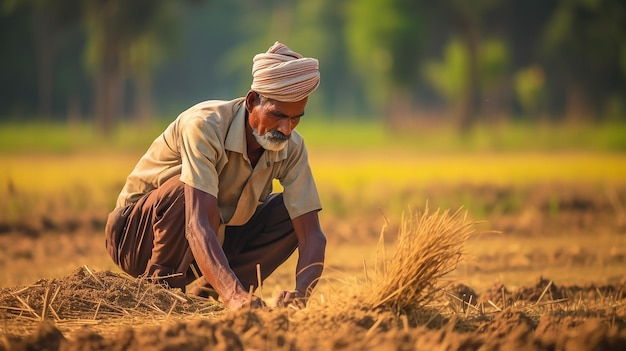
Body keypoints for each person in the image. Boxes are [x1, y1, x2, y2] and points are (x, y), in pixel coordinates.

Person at [104, 42, 326, 310]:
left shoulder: (291, 146)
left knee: (290, 214)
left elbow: (312, 235)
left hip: (208, 243)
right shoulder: (205, 125)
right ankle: (160, 290)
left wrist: (301, 293)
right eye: (277, 115)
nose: (286, 128)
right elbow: (197, 222)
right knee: (184, 190)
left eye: (295, 119)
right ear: (252, 101)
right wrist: (233, 295)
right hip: (137, 239)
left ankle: (210, 296)